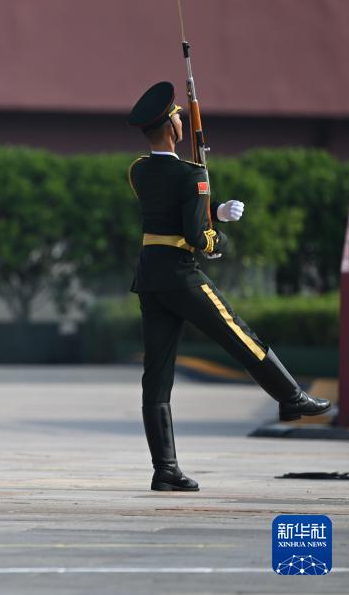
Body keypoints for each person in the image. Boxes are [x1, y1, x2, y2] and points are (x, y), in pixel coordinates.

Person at [127, 81, 330, 492]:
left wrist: (212, 210)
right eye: (178, 117)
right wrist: (214, 238)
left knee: (157, 376)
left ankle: (165, 468)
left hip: (150, 276)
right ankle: (290, 397)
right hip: (183, 276)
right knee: (238, 332)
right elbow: (196, 235)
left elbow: (169, 213)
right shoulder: (192, 173)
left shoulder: (139, 170)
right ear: (170, 127)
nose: (183, 120)